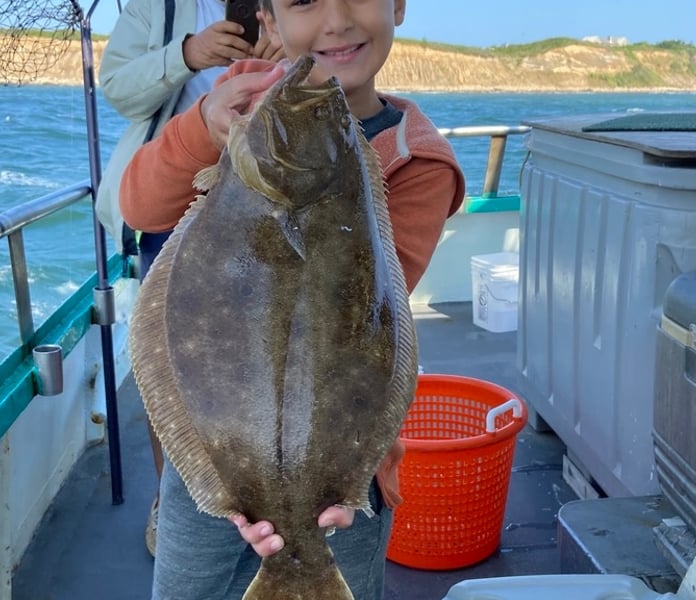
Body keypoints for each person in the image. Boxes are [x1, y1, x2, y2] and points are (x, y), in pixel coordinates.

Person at [119, 0, 465, 597]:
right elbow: (139, 208)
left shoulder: (419, 159)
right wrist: (203, 125)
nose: (336, 20)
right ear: (270, 22)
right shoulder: (236, 102)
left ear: (398, 5)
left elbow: (371, 318)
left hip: (345, 477)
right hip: (212, 445)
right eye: (304, 0)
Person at [95, 0, 283, 557]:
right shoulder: (154, 7)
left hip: (268, 201)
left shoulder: (293, 11)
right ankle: (175, 496)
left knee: (268, 355)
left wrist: (290, 55)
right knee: (174, 361)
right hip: (176, 195)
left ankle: (267, 494)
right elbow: (118, 90)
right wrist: (186, 55)